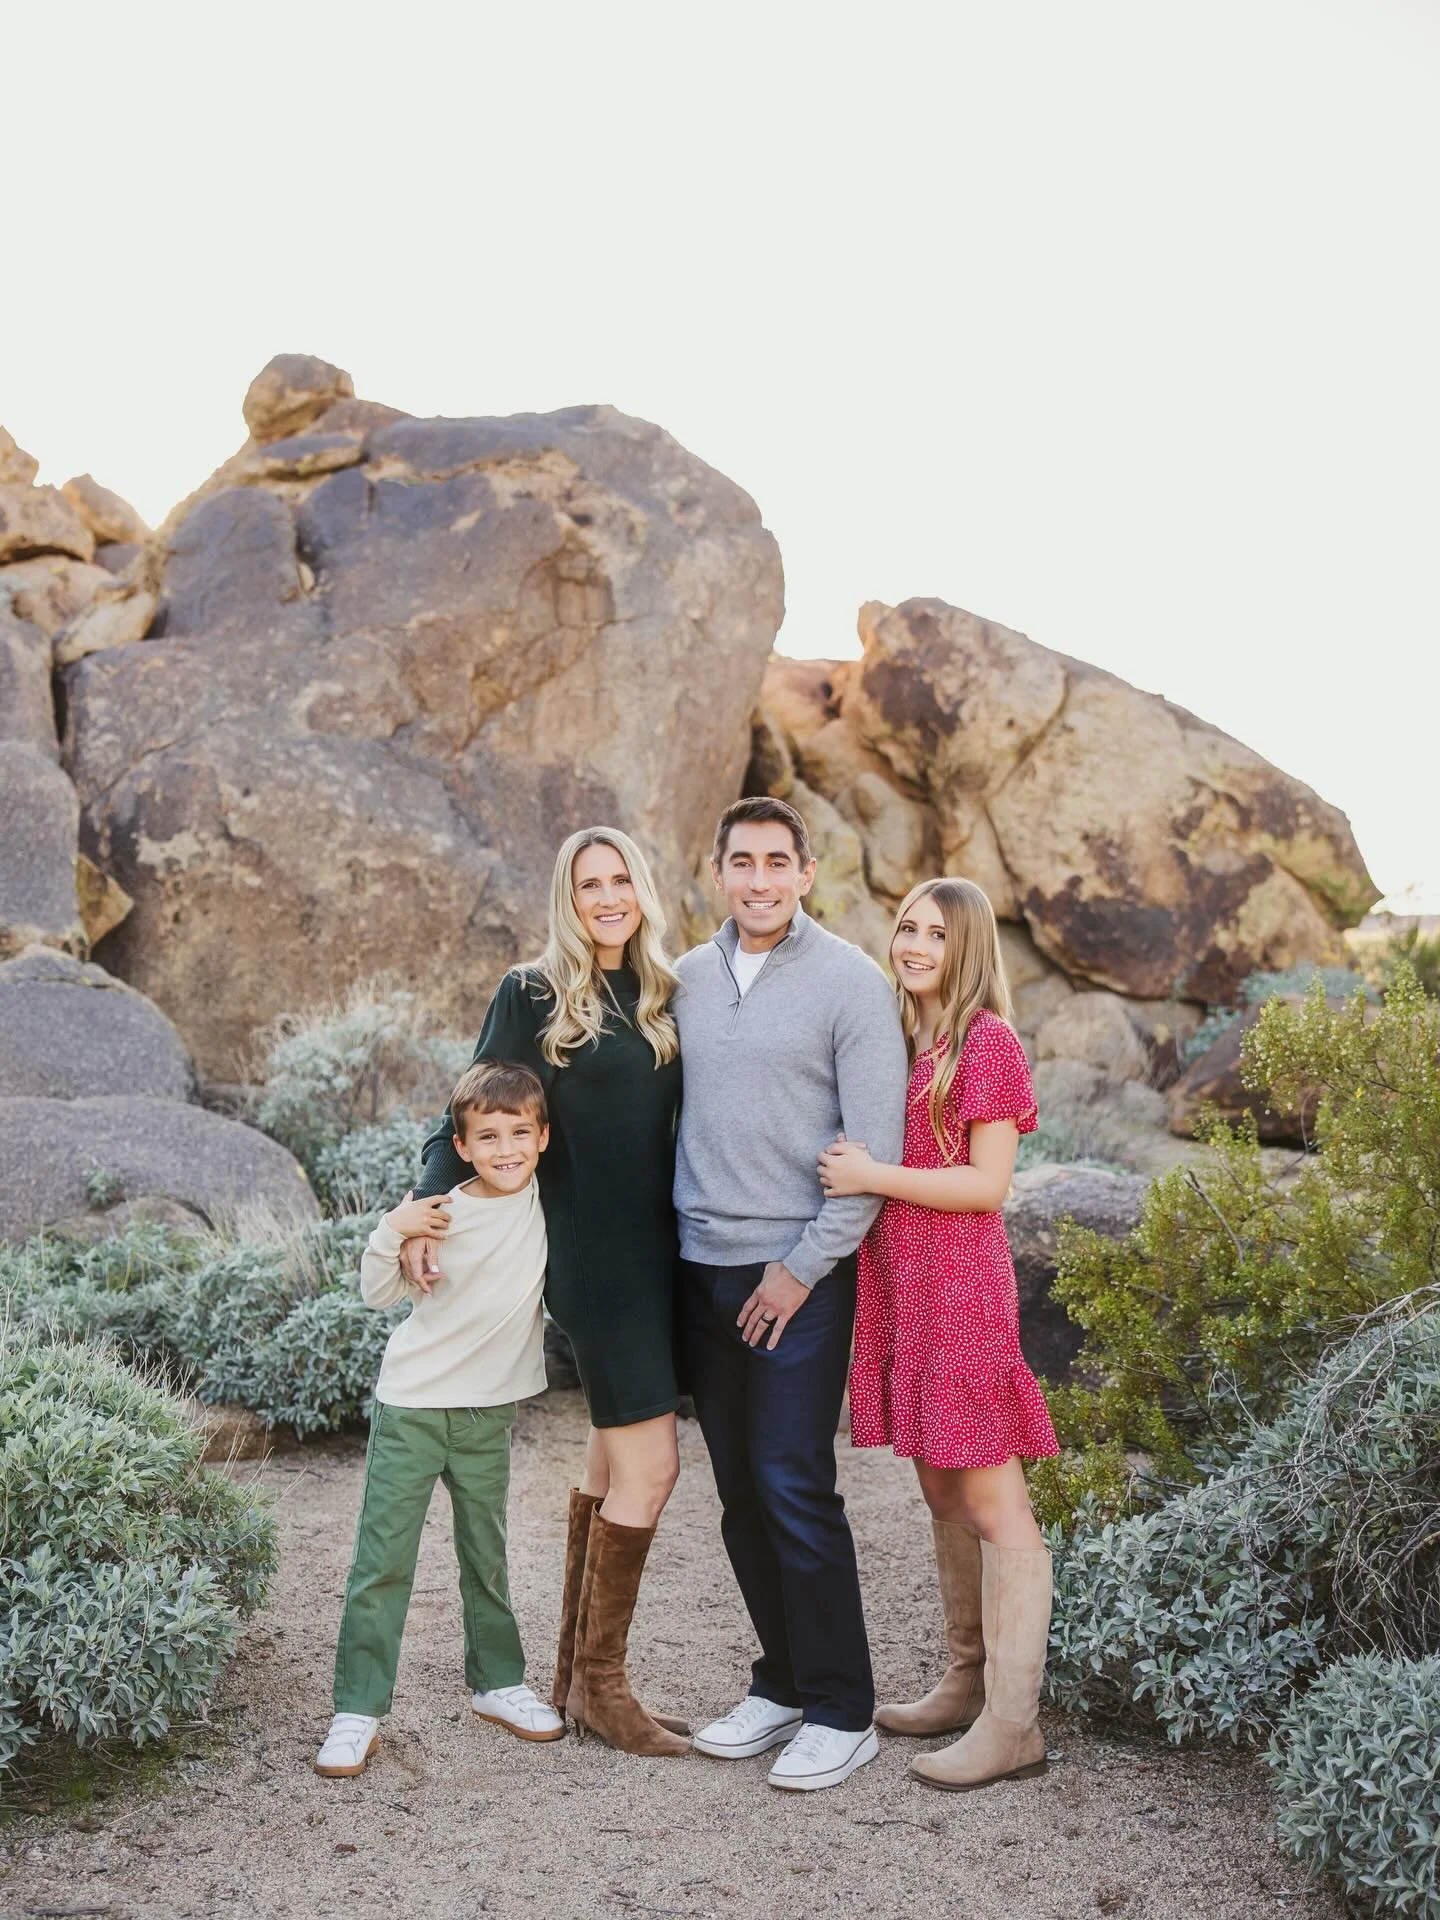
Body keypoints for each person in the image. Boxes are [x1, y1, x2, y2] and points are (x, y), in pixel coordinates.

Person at [403, 828, 690, 1758]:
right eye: (587, 884)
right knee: (654, 1470)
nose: (606, 897)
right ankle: (607, 1689)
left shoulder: (662, 992)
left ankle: (573, 1678)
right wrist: (421, 1210)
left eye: (618, 881)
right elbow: (468, 1111)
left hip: (664, 1254)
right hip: (593, 1260)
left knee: (611, 1468)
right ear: (566, 900)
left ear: (641, 890)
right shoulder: (532, 992)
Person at [676, 795, 909, 1793]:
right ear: (718, 871)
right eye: (743, 863)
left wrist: (802, 1268)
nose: (760, 880)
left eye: (779, 862)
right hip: (702, 1265)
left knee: (791, 1482)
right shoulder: (684, 977)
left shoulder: (853, 986)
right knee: (737, 1494)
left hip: (799, 1274)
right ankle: (781, 1684)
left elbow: (876, 1152)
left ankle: (845, 1710)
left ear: (808, 872)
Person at [818, 876, 1060, 1793]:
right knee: (942, 1491)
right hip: (902, 1288)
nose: (915, 944)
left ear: (968, 948)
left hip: (960, 1290)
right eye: (907, 927)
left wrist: (875, 1173)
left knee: (996, 1504)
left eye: (936, 933)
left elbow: (988, 1185)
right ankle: (965, 1679)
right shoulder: (901, 1034)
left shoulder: (986, 1041)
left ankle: (1014, 1724)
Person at [315, 1058, 563, 1777]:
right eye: (488, 1136)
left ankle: (499, 1683)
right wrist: (397, 1225)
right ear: (461, 1146)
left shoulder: (549, 1201)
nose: (506, 1148)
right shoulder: (439, 1209)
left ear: (544, 1137)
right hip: (413, 1406)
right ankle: (357, 1710)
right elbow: (373, 1292)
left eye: (520, 1132)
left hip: (488, 1412)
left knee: (486, 1554)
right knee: (383, 1560)